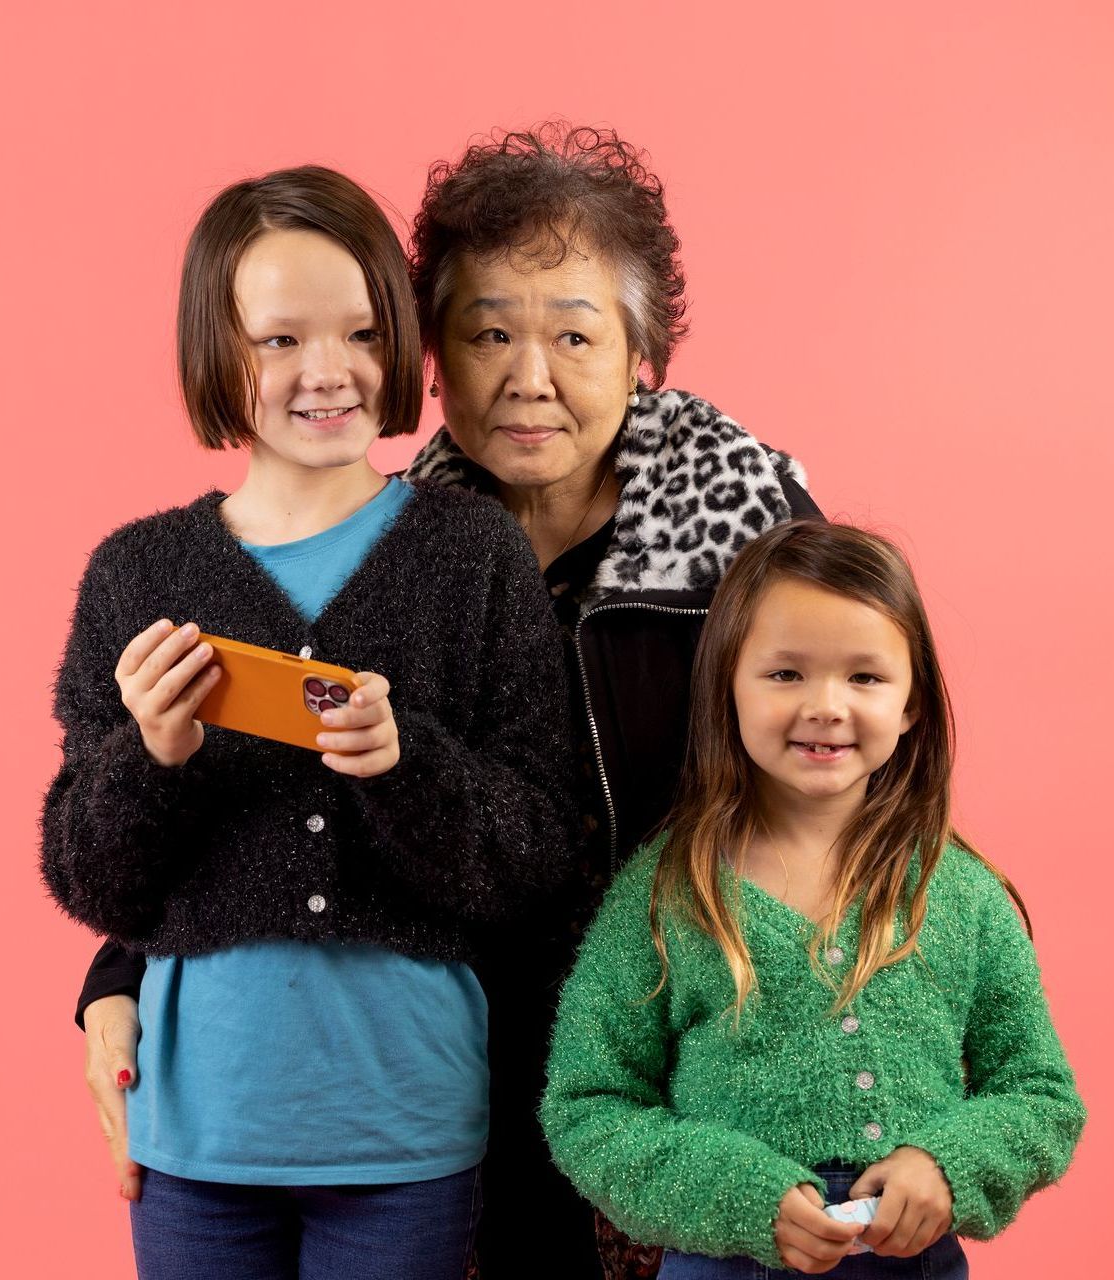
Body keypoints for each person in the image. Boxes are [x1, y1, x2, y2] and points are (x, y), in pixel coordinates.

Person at [71, 125, 822, 1278]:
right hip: (459, 1070)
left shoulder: (751, 541)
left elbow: (857, 782)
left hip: (690, 1059)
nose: (529, 376)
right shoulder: (400, 522)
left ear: (640, 353)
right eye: (487, 332)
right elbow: (241, 816)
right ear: (432, 358)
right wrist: (124, 975)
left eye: (574, 334)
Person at [40, 164, 578, 1279]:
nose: (327, 370)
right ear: (214, 352)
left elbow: (535, 853)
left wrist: (405, 763)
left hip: (411, 1127)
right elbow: (90, 880)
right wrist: (153, 758)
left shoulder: (475, 555)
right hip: (194, 1135)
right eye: (279, 339)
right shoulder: (136, 571)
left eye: (361, 333)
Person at [540, 520, 1086, 1278]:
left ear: (912, 703)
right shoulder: (663, 896)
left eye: (864, 678)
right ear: (725, 685)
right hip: (723, 1258)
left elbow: (1041, 1094)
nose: (826, 706)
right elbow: (588, 1106)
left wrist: (947, 1164)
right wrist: (737, 1195)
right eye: (785, 673)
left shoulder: (961, 894)